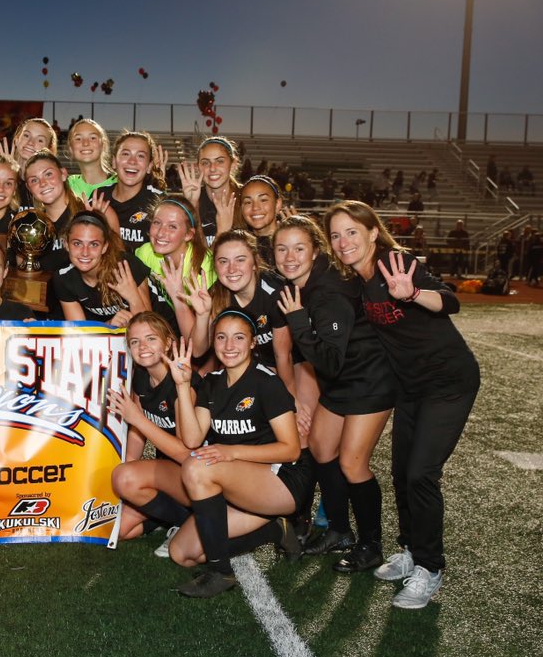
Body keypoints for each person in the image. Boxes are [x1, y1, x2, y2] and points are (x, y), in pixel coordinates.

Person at [325, 200, 479, 609]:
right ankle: (411, 549)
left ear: (373, 232)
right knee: (401, 474)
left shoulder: (396, 262)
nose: (343, 241)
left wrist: (412, 293)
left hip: (448, 382)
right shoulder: (357, 282)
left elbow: (450, 301)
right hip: (410, 387)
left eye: (352, 232)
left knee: (421, 474)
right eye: (336, 235)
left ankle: (430, 567)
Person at [273, 216, 395, 572]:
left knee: (352, 464)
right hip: (342, 380)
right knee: (321, 447)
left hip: (368, 380)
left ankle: (371, 545)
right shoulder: (306, 284)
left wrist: (298, 319)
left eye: (299, 248)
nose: (289, 257)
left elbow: (328, 360)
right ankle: (339, 530)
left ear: (315, 251)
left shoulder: (328, 294)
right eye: (282, 249)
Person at [163, 309, 309, 598]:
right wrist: (182, 385)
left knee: (197, 467)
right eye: (221, 337)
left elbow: (291, 449)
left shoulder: (267, 382)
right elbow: (192, 438)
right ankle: (275, 530)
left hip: (283, 480)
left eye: (239, 337)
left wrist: (232, 452)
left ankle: (220, 572)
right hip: (240, 481)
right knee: (181, 553)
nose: (229, 346)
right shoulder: (212, 382)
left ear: (253, 342)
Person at [107, 312, 205, 556]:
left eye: (151, 339)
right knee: (120, 529)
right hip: (168, 471)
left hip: (199, 473)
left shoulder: (182, 382)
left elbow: (187, 453)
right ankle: (177, 516)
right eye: (135, 341)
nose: (143, 347)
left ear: (168, 342)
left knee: (126, 479)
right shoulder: (141, 375)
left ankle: (190, 520)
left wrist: (137, 419)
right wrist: (129, 465)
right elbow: (137, 433)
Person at [192, 230, 294, 390]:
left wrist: (289, 397)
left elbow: (282, 355)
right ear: (215, 267)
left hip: (289, 360)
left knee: (297, 402)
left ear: (254, 263)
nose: (231, 269)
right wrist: (202, 315)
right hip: (245, 361)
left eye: (240, 260)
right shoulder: (215, 295)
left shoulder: (275, 293)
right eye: (223, 261)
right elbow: (197, 352)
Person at [134, 196, 216, 339]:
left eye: (172, 226)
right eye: (157, 223)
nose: (160, 233)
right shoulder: (145, 253)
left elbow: (199, 342)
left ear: (188, 234)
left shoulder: (204, 268)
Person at [53, 212, 151, 325]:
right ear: (66, 244)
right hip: (107, 333)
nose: (85, 252)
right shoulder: (64, 278)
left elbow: (149, 326)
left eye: (94, 244)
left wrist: (133, 299)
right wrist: (109, 326)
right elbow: (79, 331)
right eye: (77, 243)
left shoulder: (126, 267)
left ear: (104, 247)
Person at [99, 131, 167, 252]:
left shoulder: (159, 202)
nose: (132, 161)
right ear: (114, 161)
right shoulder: (99, 196)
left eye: (140, 156)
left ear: (149, 166)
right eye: (126, 154)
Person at [66, 119, 116, 200]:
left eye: (93, 138)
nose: (85, 143)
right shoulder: (67, 185)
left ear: (103, 145)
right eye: (78, 139)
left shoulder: (120, 183)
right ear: (71, 148)